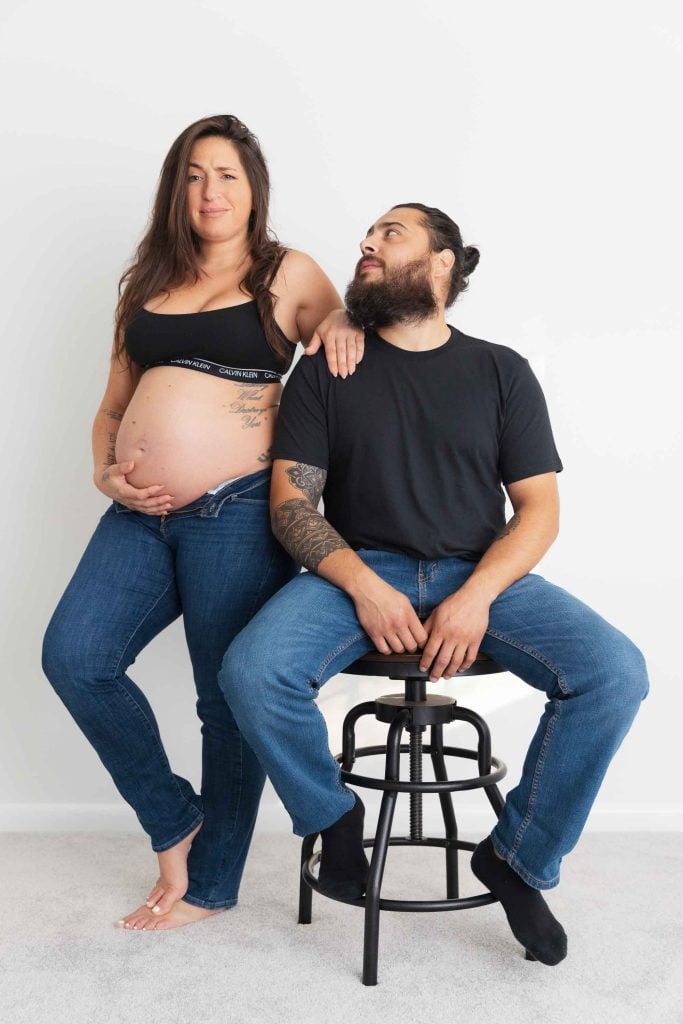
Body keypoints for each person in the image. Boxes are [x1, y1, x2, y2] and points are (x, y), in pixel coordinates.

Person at [218, 202, 650, 966]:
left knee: (614, 672)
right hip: (360, 567)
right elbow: (291, 505)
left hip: (477, 569)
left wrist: (478, 594)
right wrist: (363, 586)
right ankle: (332, 820)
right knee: (251, 671)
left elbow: (539, 511)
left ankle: (515, 859)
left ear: (443, 261)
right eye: (367, 235)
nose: (366, 243)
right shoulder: (329, 367)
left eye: (390, 233)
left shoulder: (498, 370)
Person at [41, 113, 364, 933]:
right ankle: (176, 819)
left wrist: (346, 322)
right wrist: (103, 468)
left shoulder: (287, 272)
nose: (208, 190)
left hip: (240, 509)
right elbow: (111, 408)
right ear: (175, 190)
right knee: (76, 656)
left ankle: (212, 884)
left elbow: (344, 349)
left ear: (252, 188)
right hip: (138, 513)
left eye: (225, 174)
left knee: (226, 702)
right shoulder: (145, 281)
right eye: (192, 174)